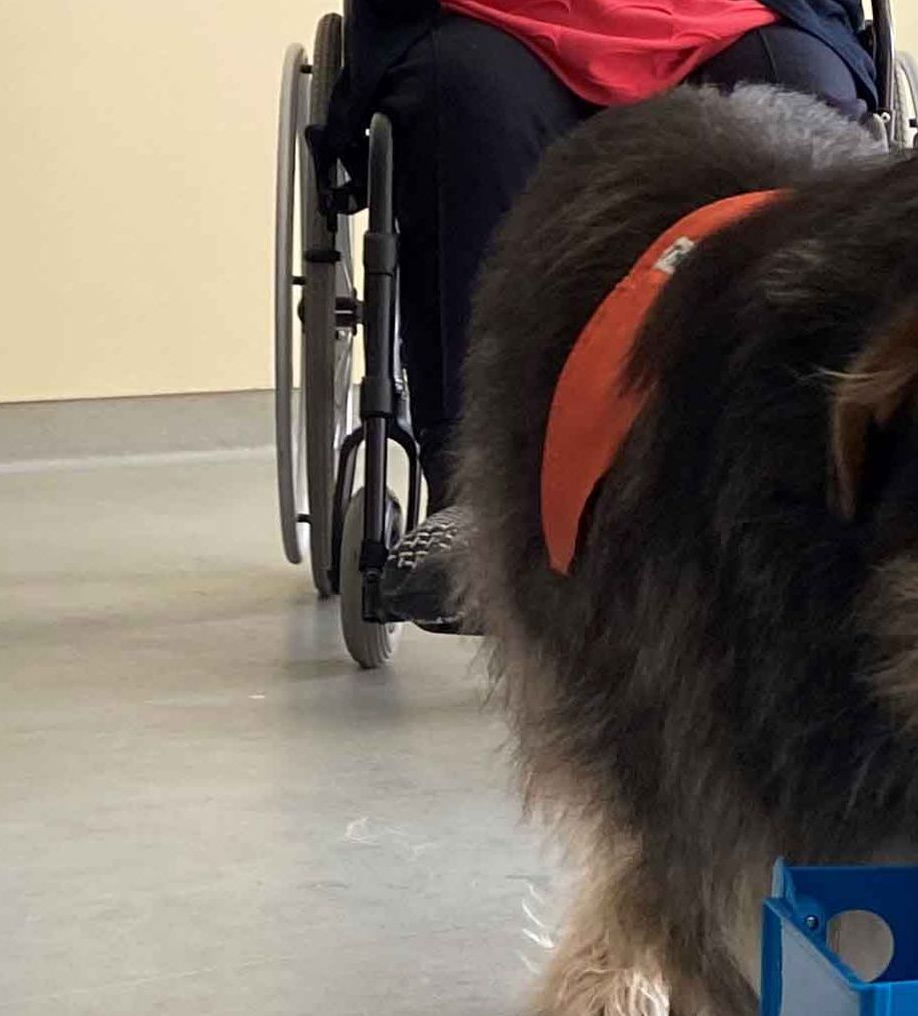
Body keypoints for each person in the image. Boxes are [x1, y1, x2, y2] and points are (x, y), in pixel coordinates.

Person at [321, 0, 879, 595]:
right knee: (463, 104)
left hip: (736, 13)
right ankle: (470, 490)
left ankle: (825, 476)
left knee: (804, 113)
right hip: (496, 16)